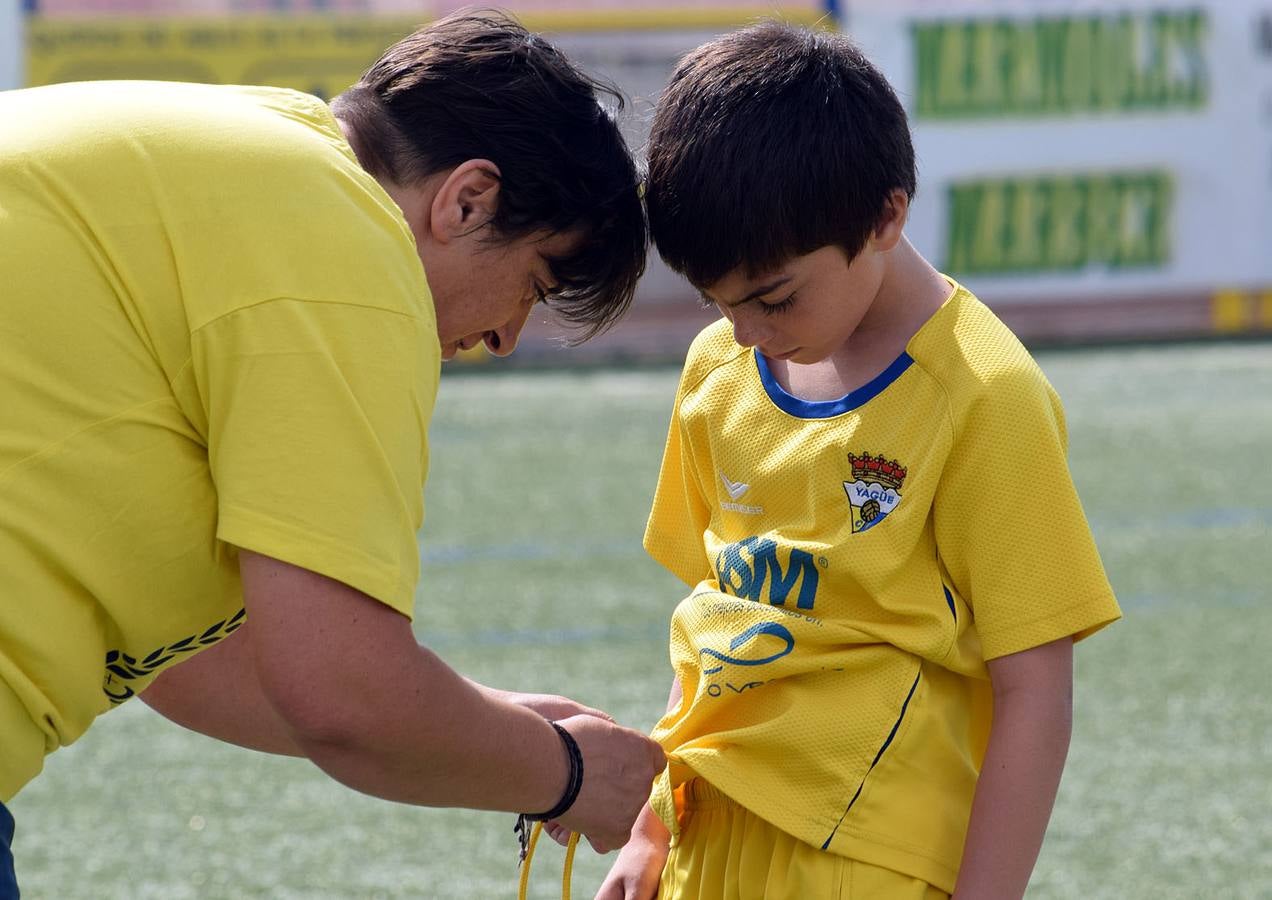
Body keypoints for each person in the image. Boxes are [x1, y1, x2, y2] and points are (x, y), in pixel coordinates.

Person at [0, 10, 666, 897]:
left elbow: (183, 662)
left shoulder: (242, 163)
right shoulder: (347, 241)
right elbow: (342, 694)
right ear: (467, 199)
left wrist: (496, 729)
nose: (507, 335)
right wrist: (569, 773)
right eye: (535, 283)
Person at [595, 21, 1123, 900]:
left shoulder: (986, 396)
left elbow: (1036, 692)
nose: (744, 330)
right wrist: (654, 830)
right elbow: (721, 633)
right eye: (717, 301)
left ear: (886, 215)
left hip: (866, 856)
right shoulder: (717, 370)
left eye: (772, 297)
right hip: (710, 835)